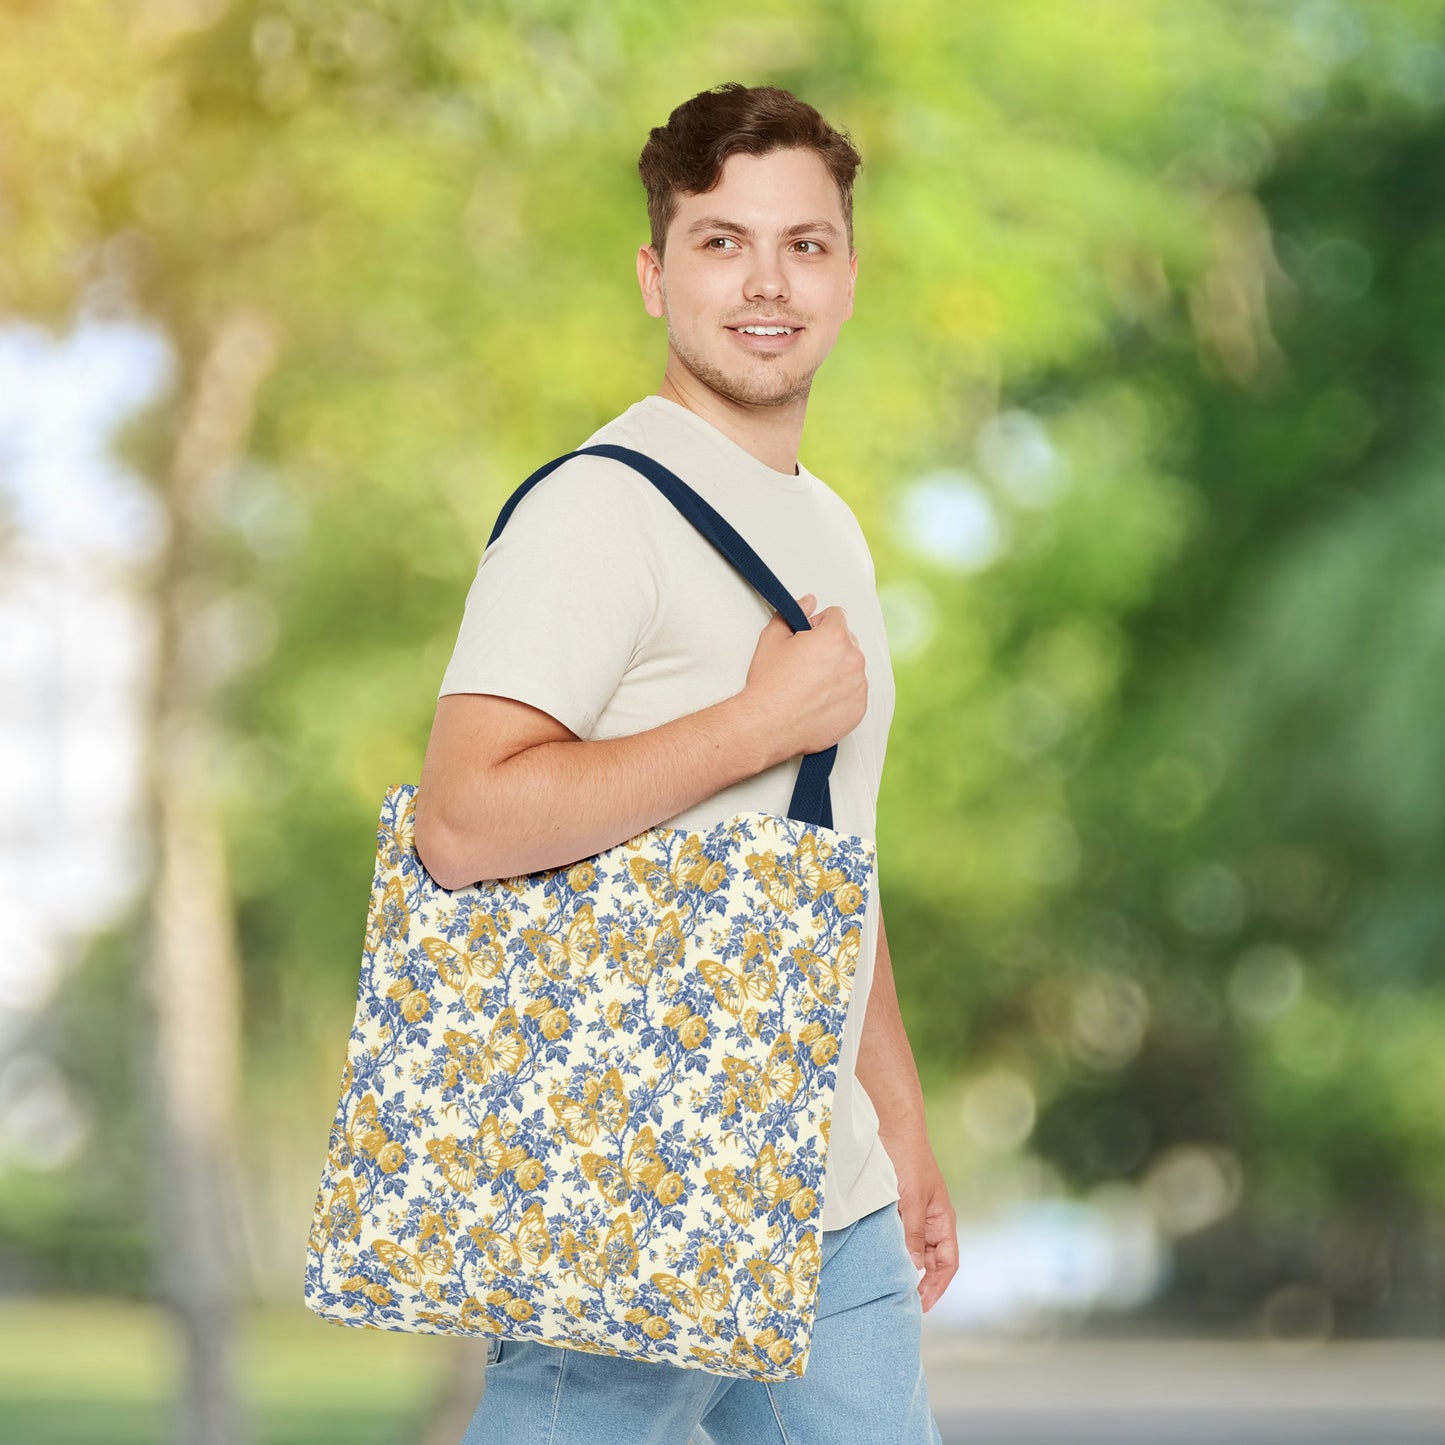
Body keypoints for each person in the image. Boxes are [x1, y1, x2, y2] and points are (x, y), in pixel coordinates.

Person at [414, 81, 956, 1445]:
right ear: (656, 276)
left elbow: (829, 849)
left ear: (846, 273)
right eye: (721, 242)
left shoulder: (823, 521)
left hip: (824, 1196)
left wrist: (896, 1126)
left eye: (804, 243)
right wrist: (750, 724)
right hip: (640, 1178)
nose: (765, 281)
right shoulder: (596, 511)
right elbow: (462, 821)